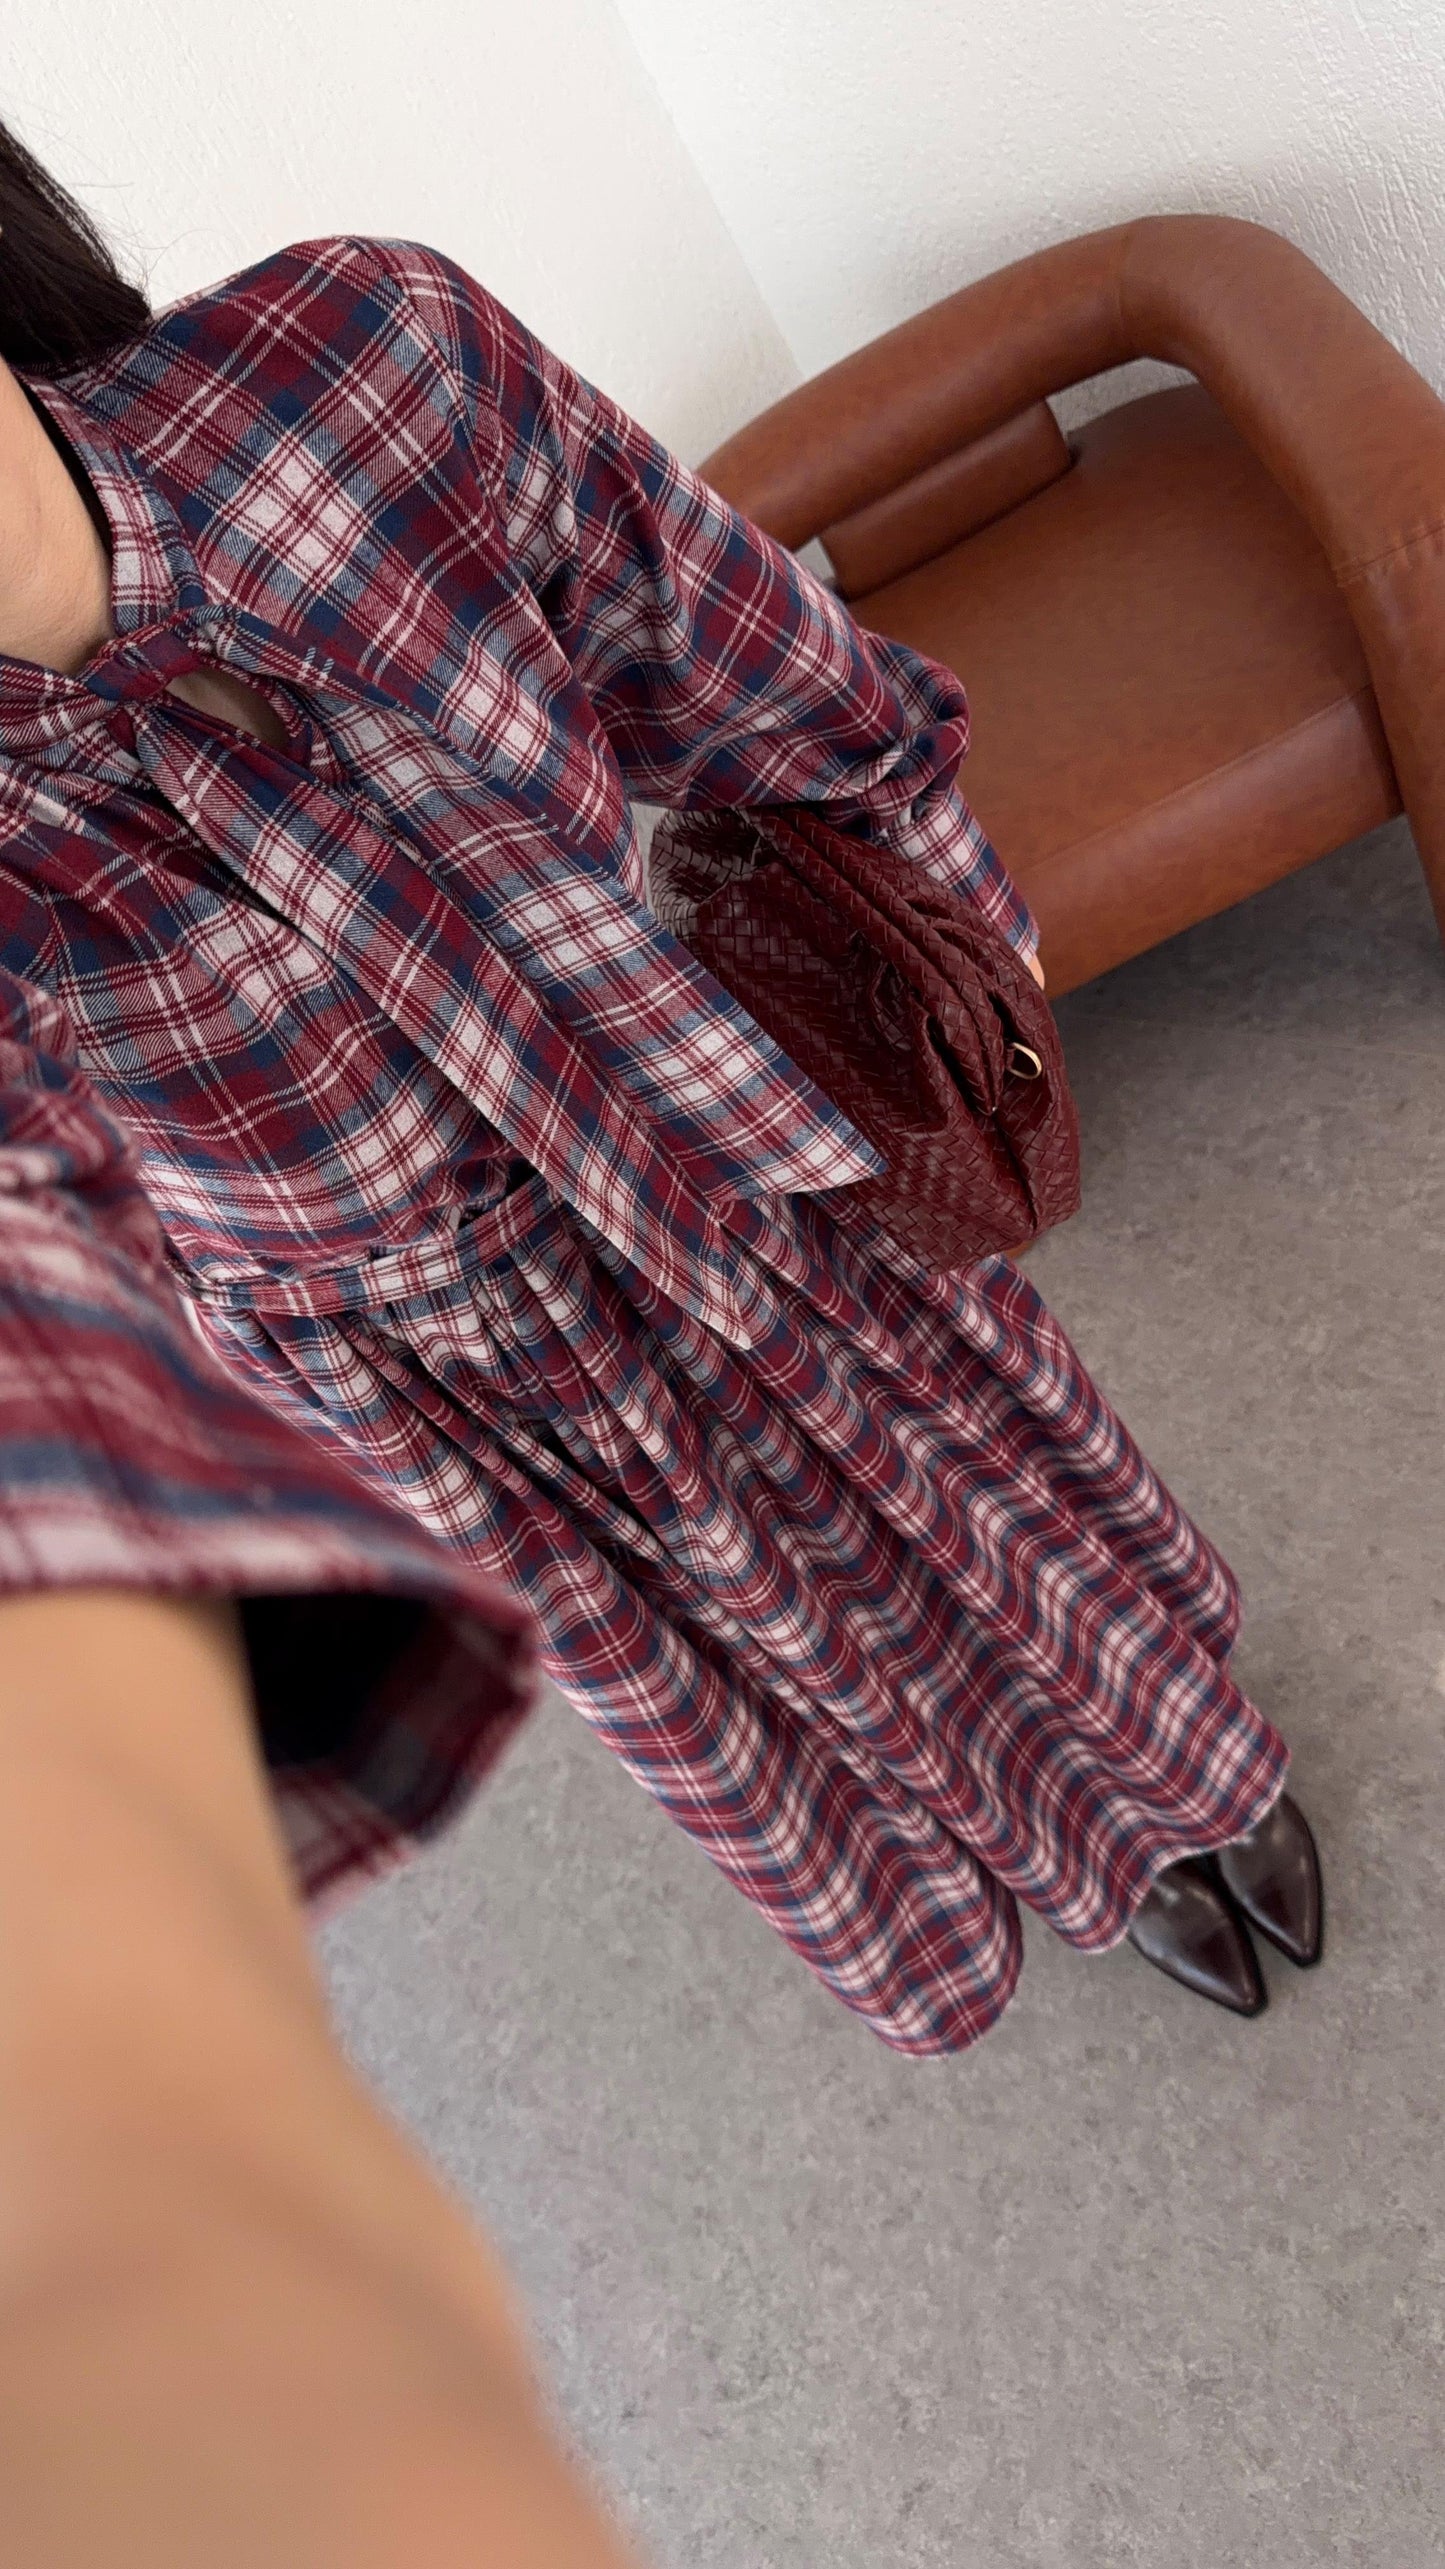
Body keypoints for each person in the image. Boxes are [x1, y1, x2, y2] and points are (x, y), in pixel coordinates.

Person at [0, 116, 1329, 2547]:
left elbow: (793, 698)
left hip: (726, 1164)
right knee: (800, 1669)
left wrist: (947, 1014)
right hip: (437, 1386)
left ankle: (1189, 1790)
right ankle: (1066, 1855)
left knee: (1009, 1519)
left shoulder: (365, 371)